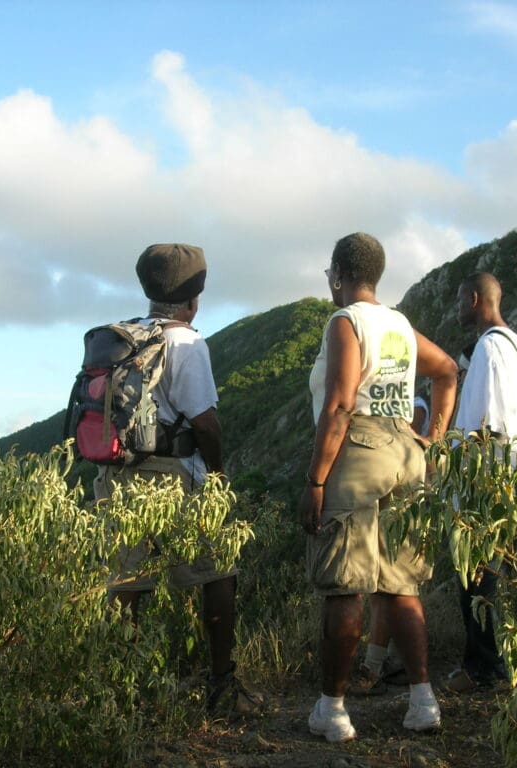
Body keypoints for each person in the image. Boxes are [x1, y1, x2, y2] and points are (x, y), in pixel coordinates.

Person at [94, 243, 263, 716]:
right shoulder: (187, 343)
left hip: (116, 475)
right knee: (218, 573)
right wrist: (218, 475)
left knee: (126, 585)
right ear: (196, 294)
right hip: (172, 477)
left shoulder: (123, 338)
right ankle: (221, 687)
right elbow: (205, 423)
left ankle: (120, 696)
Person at [301, 233, 458, 741]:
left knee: (345, 583)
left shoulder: (346, 321)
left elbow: (341, 404)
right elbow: (448, 371)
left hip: (361, 447)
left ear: (338, 274)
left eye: (330, 274)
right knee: (401, 583)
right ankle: (422, 701)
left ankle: (334, 710)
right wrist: (431, 440)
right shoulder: (400, 325)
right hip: (404, 451)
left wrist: (316, 480)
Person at [443, 272, 517, 694]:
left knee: (477, 581)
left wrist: (466, 478)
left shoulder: (491, 348)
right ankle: (483, 664)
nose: (457, 307)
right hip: (506, 479)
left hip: (487, 485)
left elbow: (488, 424)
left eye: (461, 299)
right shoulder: (513, 345)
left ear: (475, 299)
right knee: (485, 580)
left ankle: (484, 669)